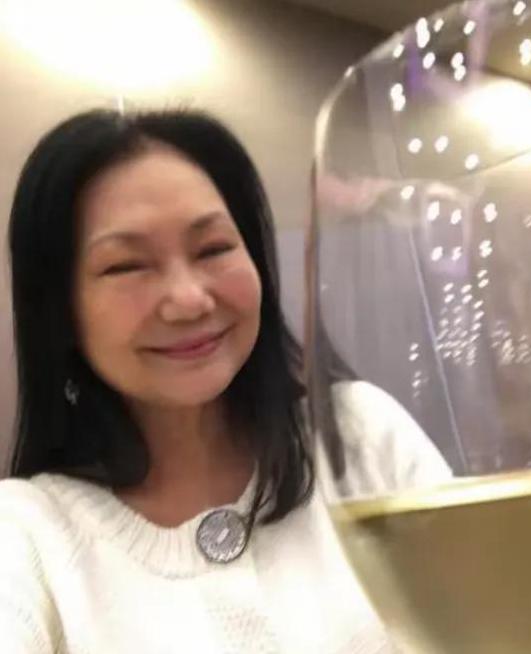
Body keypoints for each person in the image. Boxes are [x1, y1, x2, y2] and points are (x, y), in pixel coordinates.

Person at [1, 108, 451, 653]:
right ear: (61, 310)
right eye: (126, 266)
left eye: (213, 249)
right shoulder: (26, 534)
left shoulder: (359, 435)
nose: (190, 299)